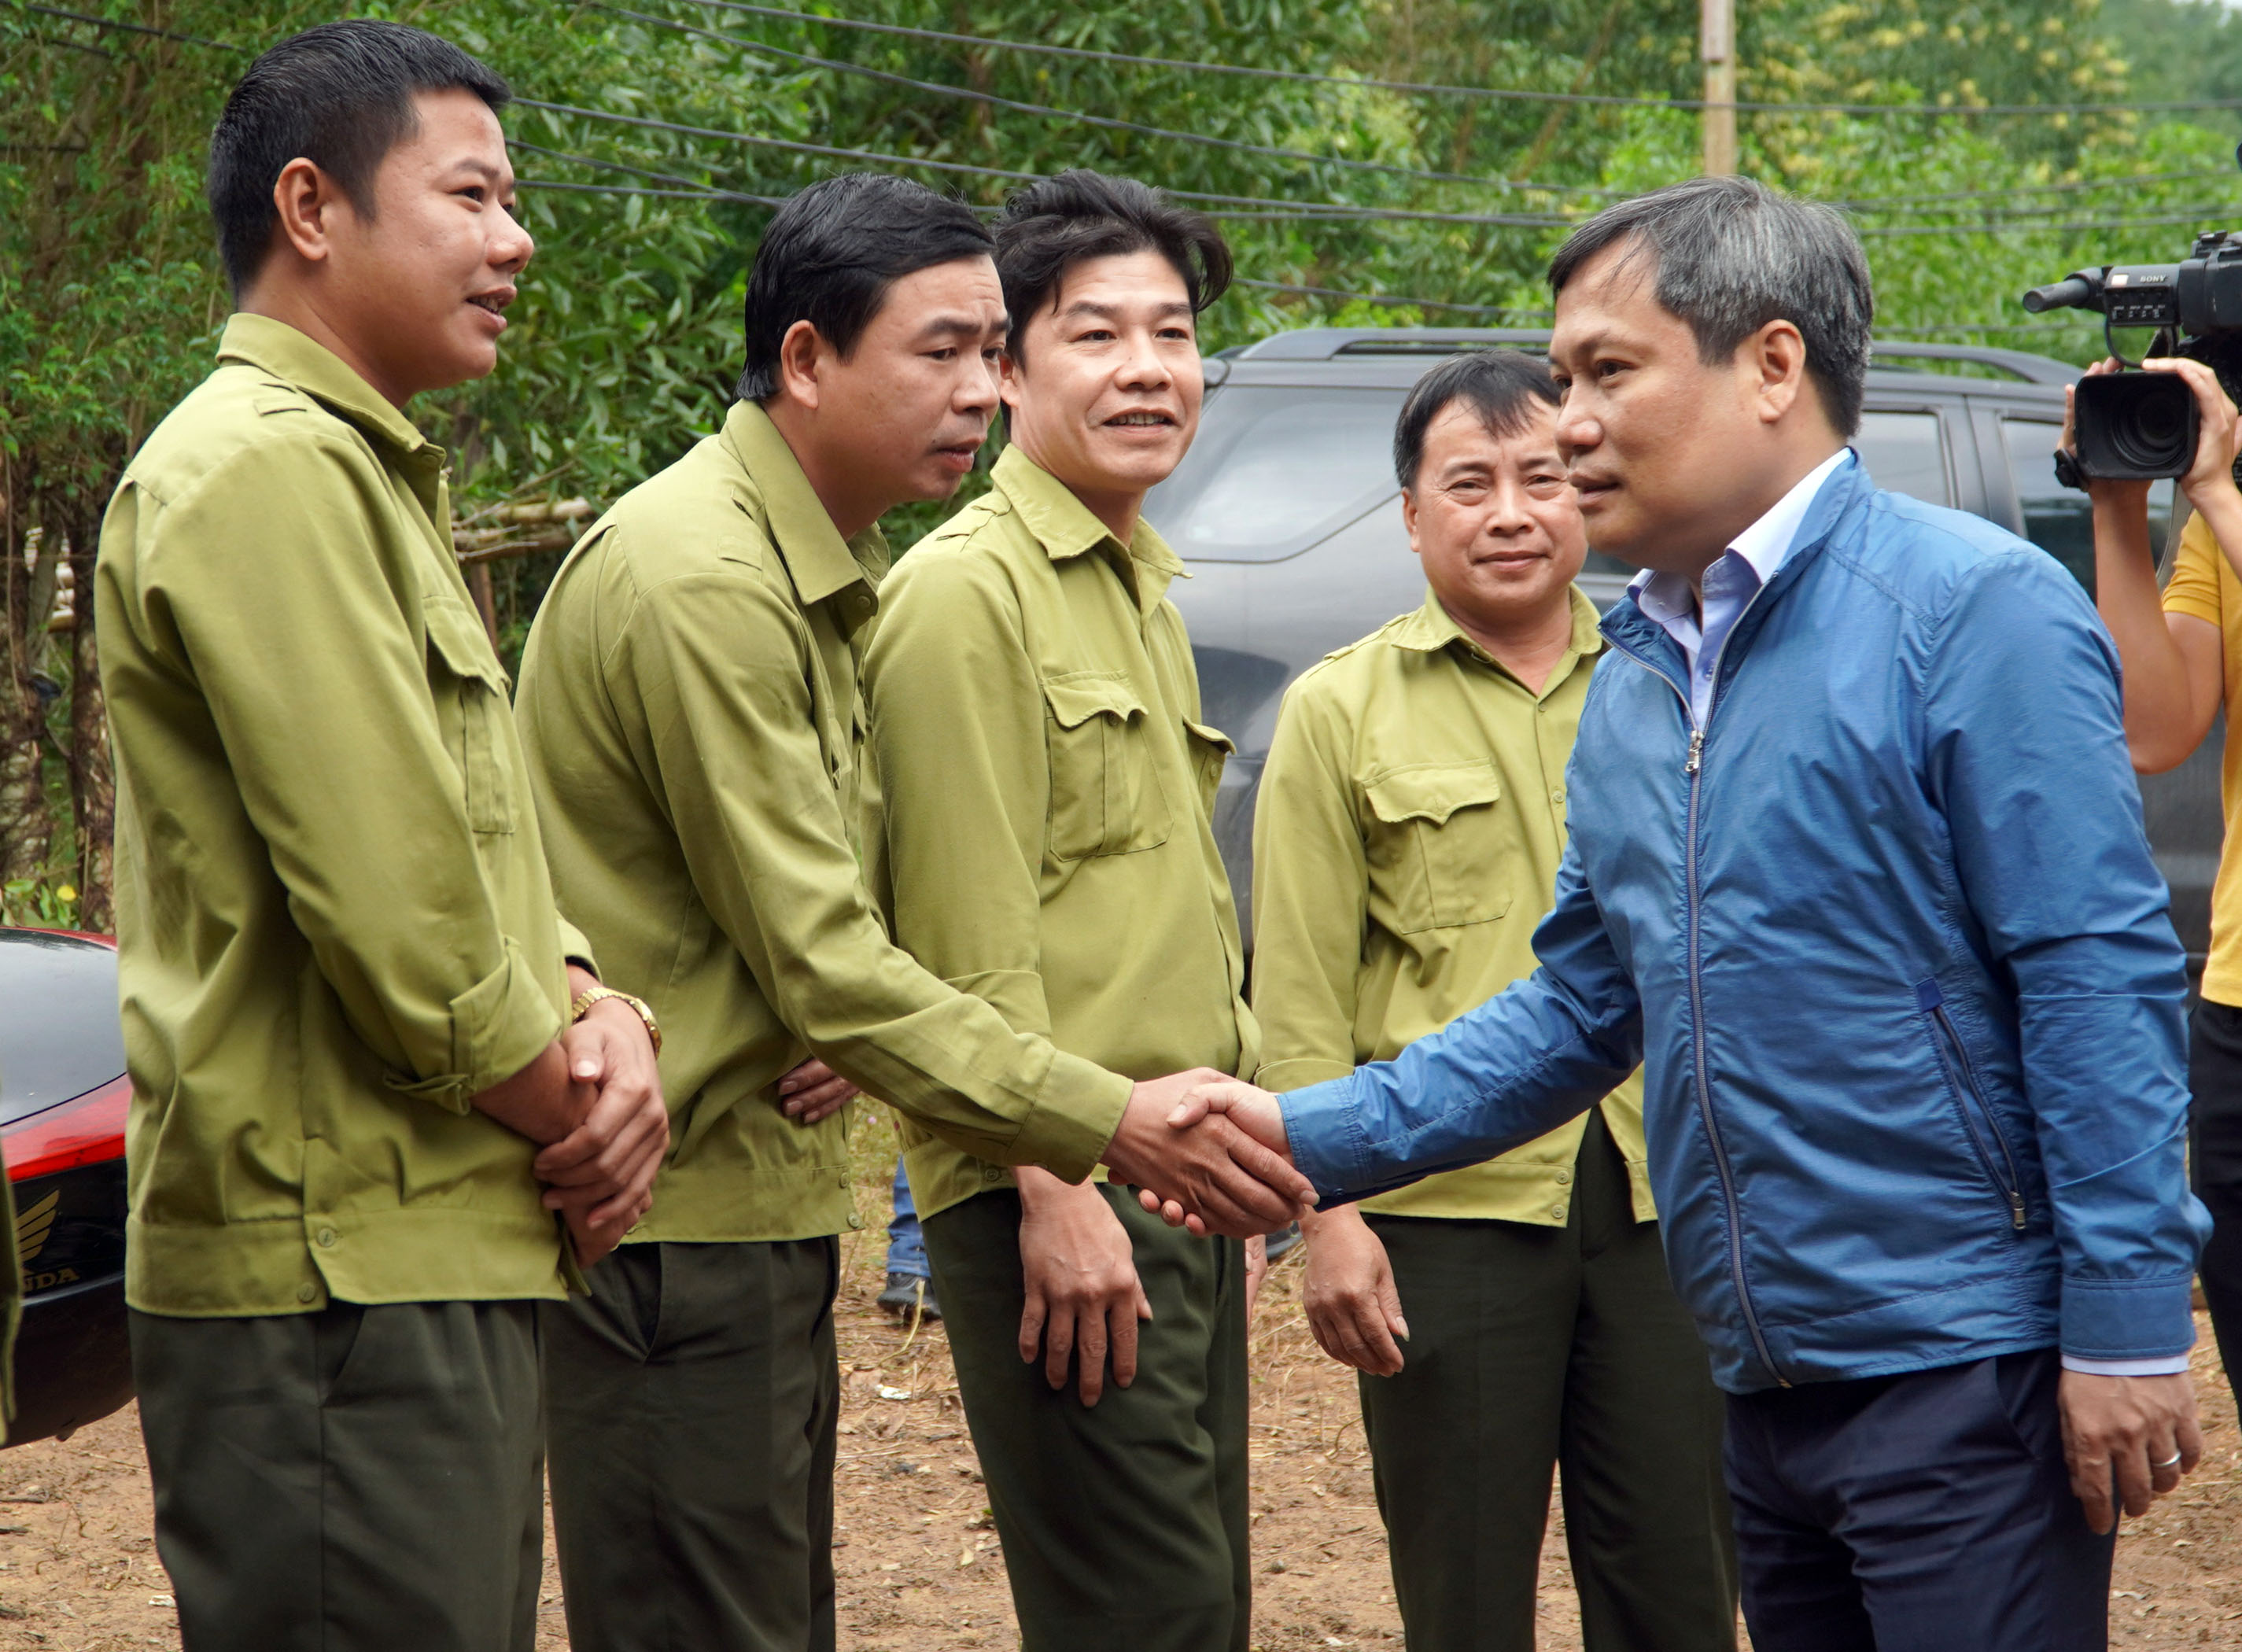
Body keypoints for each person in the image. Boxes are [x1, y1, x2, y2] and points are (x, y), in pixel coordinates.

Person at [1164, 175, 2211, 1652]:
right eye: (1559, 378)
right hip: (1758, 1373)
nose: (1566, 423)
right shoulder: (1647, 667)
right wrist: (1299, 1137)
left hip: (1959, 1366)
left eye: (1606, 372)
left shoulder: (1968, 609)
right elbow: (1586, 1004)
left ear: (1771, 366)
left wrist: (2122, 1320)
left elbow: (2092, 973)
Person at [513, 172, 1309, 1652]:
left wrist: (821, 1012)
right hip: (673, 1214)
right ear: (808, 360)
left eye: (986, 350)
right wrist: (1084, 1140)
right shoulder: (714, 578)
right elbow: (844, 959)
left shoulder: (829, 575)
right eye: (945, 351)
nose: (977, 390)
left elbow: (819, 930)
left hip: (762, 1193)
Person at [95, 23, 669, 1652]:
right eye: (474, 194)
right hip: (334, 1273)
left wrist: (594, 996)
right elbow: (402, 924)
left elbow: (468, 842)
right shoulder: (260, 476)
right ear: (311, 205)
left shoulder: (357, 474)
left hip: (420, 1241)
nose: (516, 238)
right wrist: (593, 1098)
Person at [1251, 348, 1735, 1652]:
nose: (1511, 511)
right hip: (1443, 1215)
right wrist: (1326, 1219)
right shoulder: (1338, 709)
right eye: (1469, 483)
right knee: (1462, 1587)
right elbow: (1297, 991)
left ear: (1585, 493)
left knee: (1681, 1576)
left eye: (1541, 477)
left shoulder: (1673, 679)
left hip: (1667, 1196)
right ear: (1412, 514)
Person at [861, 170, 1259, 1652]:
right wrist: (1053, 1186)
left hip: (1176, 1184)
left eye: (1171, 331)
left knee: (1196, 1601)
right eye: (1095, 334)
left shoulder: (1137, 585)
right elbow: (959, 945)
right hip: (1066, 1188)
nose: (1147, 367)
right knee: (1138, 1614)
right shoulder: (968, 596)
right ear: (1006, 369)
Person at [2071, 351, 2242, 1396]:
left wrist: (2219, 494)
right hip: (2232, 998)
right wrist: (2115, 505)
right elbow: (2153, 726)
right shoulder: (2219, 514)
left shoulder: (2228, 500)